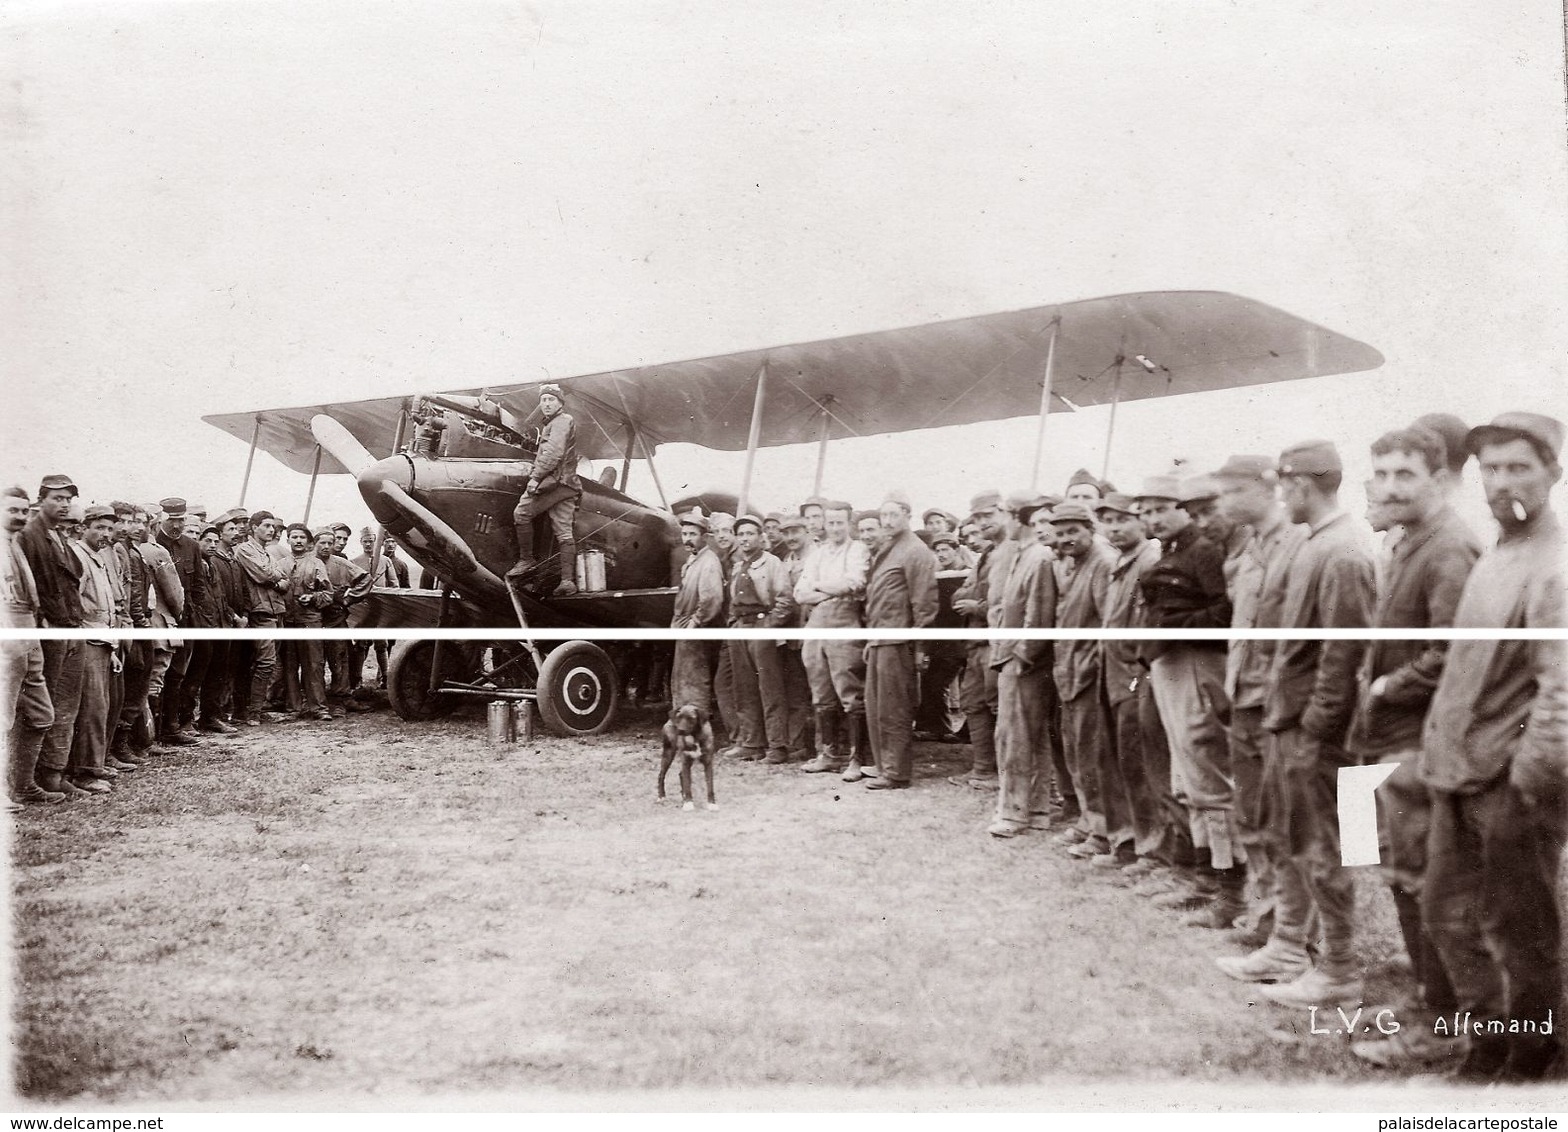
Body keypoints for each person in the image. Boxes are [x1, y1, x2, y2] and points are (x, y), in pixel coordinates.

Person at [1420, 412, 1566, 1084]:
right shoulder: (1497, 555)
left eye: (1519, 468)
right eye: (1492, 469)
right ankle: (1488, 1041)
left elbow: (1561, 691)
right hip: (1459, 770)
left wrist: (1527, 783)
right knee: (1448, 913)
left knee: (1518, 924)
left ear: (1553, 475)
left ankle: (1530, 1055)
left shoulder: (1555, 566)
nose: (1502, 481)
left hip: (1511, 781)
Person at [1342, 425, 1481, 1070]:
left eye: (1406, 475)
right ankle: (1429, 1001)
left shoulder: (1449, 547)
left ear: (1440, 478)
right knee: (1400, 876)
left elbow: (1454, 651)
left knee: (1427, 882)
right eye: (1383, 475)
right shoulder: (1409, 542)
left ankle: (1445, 1022)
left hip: (1420, 738)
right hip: (1390, 734)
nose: (1391, 487)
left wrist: (1390, 684)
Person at [1222, 441, 1376, 1008]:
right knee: (1295, 837)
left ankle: (1337, 970)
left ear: (1302, 484)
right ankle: (1289, 944)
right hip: (1293, 721)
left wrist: (1314, 729)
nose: (1280, 493)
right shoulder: (1318, 543)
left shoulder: (1343, 551)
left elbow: (1345, 655)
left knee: (1326, 847)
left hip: (1320, 731)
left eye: (1283, 483)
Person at [1212, 455, 1305, 940]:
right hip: (1244, 694)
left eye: (1232, 491)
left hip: (1277, 700)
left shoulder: (1296, 542)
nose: (1223, 502)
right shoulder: (1251, 546)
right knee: (1250, 811)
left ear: (1265, 490)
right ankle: (1266, 912)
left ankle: (1291, 926)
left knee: (1282, 815)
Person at [1135, 474, 1236, 917]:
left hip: (1197, 664)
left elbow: (1224, 613)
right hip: (1169, 666)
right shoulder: (1171, 552)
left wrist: (1174, 627)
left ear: (1182, 510)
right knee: (1185, 777)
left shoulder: (1205, 550)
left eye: (1161, 508)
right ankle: (1202, 877)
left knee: (1207, 775)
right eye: (1146, 511)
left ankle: (1228, 890)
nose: (1152, 518)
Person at [1094, 492, 1164, 872]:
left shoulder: (1148, 561)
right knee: (1116, 761)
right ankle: (1125, 841)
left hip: (1135, 676)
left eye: (1122, 519)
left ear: (1141, 522)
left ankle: (1151, 850)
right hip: (1113, 674)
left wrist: (1138, 672)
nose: (1114, 527)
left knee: (1140, 767)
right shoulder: (1120, 562)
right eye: (1107, 521)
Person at [1048, 501, 1121, 862]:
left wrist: (1092, 669)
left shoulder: (1102, 563)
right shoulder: (1072, 565)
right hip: (1070, 672)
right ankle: (1089, 820)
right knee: (1076, 750)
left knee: (1093, 756)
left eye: (1073, 531)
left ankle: (1104, 829)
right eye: (1060, 534)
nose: (1066, 539)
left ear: (1090, 530)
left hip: (1090, 674)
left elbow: (1109, 625)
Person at [859, 492, 939, 790]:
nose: (888, 521)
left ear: (907, 515)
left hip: (898, 643)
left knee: (895, 709)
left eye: (894, 515)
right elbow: (878, 600)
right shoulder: (888, 548)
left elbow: (925, 604)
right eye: (884, 516)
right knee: (876, 707)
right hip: (879, 640)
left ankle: (896, 772)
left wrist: (920, 648)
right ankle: (884, 766)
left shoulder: (915, 551)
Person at [987, 492, 1057, 834]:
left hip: (1023, 662)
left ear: (1018, 518)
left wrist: (1021, 656)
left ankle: (1016, 812)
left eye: (1005, 516)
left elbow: (1038, 616)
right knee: (1025, 736)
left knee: (1015, 737)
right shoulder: (1023, 554)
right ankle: (1036, 810)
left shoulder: (1039, 557)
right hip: (1013, 657)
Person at [19, 475, 87, 798]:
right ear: (41, 499)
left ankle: (54, 774)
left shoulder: (57, 536)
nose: (63, 505)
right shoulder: (29, 536)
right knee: (44, 708)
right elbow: (32, 589)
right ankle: (31, 780)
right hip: (49, 632)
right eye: (57, 498)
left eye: (68, 499)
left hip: (71, 628)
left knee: (66, 705)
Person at [794, 500, 869, 777]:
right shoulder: (818, 553)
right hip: (816, 624)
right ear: (824, 524)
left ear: (849, 524)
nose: (835, 528)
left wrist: (819, 587)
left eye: (840, 522)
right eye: (831, 522)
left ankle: (857, 759)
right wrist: (828, 590)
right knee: (821, 691)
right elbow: (799, 593)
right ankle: (828, 753)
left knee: (849, 691)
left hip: (844, 622)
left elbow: (854, 583)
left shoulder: (857, 549)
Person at [3, 485, 60, 806]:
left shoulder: (16, 545)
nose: (19, 517)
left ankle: (23, 785)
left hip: (29, 635)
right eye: (12, 510)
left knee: (41, 713)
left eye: (25, 511)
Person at [724, 514, 796, 763]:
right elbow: (733, 601)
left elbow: (785, 601)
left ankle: (777, 746)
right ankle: (752, 743)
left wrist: (768, 626)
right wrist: (734, 624)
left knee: (769, 688)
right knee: (744, 688)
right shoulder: (737, 565)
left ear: (760, 537)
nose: (745, 538)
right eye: (741, 534)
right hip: (740, 630)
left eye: (750, 533)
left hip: (762, 629)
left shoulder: (772, 563)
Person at [948, 492, 1003, 791]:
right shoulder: (985, 558)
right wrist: (974, 600)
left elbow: (1004, 601)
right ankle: (983, 770)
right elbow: (960, 592)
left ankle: (1007, 773)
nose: (977, 532)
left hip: (994, 642)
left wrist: (976, 606)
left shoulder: (1005, 554)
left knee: (999, 707)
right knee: (974, 704)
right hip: (976, 644)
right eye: (973, 525)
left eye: (984, 520)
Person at [508, 383, 581, 596]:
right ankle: (568, 581)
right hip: (568, 485)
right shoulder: (560, 422)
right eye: (543, 400)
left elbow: (554, 454)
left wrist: (535, 478)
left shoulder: (561, 422)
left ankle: (527, 560)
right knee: (564, 532)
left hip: (554, 483)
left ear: (560, 403)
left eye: (551, 400)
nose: (546, 404)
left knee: (521, 514)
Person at [234, 511, 289, 726]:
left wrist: (277, 579)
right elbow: (263, 574)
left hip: (274, 610)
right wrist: (277, 579)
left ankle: (253, 708)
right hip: (260, 612)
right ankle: (252, 712)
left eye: (272, 526)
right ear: (253, 527)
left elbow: (285, 581)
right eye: (266, 525)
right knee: (265, 662)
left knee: (267, 662)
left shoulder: (267, 552)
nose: (271, 530)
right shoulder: (245, 550)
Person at [669, 509, 724, 712]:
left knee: (694, 682)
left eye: (692, 534)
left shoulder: (709, 562)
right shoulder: (692, 561)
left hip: (694, 630)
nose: (687, 539)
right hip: (683, 627)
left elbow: (711, 599)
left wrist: (695, 624)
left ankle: (698, 725)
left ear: (704, 537)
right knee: (683, 679)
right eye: (684, 534)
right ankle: (684, 727)